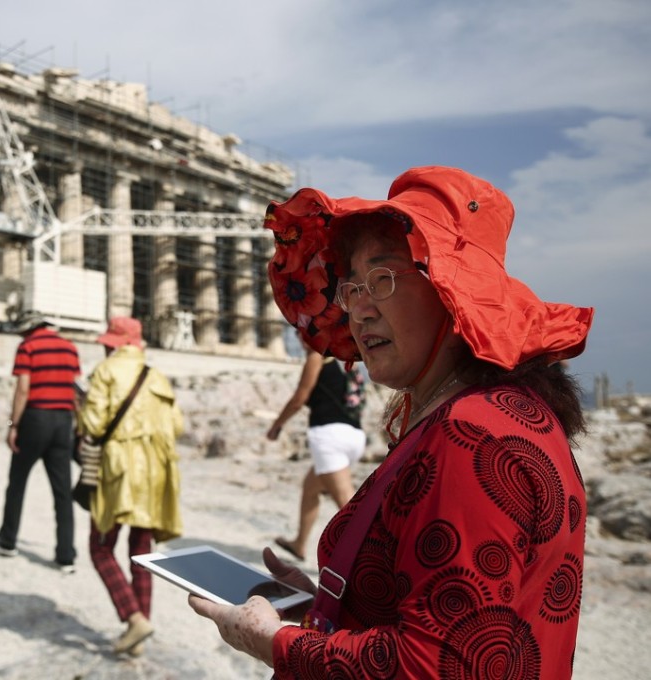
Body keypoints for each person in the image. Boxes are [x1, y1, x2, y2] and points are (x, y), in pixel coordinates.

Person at [189, 166, 593, 678]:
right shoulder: (494, 412)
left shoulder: (470, 437)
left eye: (381, 279)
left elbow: (442, 666)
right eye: (350, 288)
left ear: (453, 293)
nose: (358, 311)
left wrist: (276, 643)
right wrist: (333, 605)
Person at [78, 317, 184, 656]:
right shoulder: (157, 376)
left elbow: (93, 424)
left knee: (100, 547)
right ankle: (140, 630)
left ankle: (134, 618)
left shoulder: (106, 371)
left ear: (116, 343)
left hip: (118, 470)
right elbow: (177, 426)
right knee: (141, 553)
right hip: (155, 474)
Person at [0, 311, 81, 573]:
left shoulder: (28, 346)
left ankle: (8, 540)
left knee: (17, 483)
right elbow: (75, 390)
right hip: (63, 421)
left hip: (35, 419)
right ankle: (66, 555)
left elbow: (23, 390)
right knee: (62, 491)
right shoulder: (70, 348)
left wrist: (12, 426)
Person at [267, 349, 366, 562]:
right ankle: (299, 544)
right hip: (354, 434)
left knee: (346, 503)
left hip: (329, 436)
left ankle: (374, 555)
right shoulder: (347, 359)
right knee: (311, 488)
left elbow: (299, 398)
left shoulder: (317, 356)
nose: (300, 336)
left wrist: (277, 425)